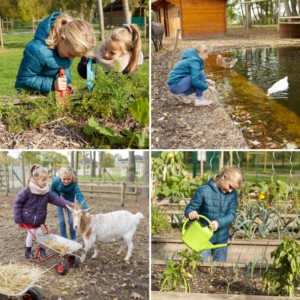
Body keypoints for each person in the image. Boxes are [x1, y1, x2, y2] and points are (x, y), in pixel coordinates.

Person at [15, 12, 96, 93]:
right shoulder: (37, 51)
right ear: (62, 39)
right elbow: (23, 80)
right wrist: (52, 84)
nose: (71, 59)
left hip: (52, 98)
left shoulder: (65, 51)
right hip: (30, 99)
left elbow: (64, 68)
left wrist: (67, 83)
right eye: (71, 54)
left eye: (75, 56)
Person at [14, 164, 75, 260]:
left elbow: (57, 199)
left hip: (38, 219)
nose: (45, 182)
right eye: (43, 180)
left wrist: (69, 204)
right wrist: (18, 218)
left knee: (39, 234)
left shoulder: (46, 192)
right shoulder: (27, 191)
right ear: (35, 179)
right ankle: (28, 252)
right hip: (27, 218)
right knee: (31, 233)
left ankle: (42, 249)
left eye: (46, 180)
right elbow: (17, 203)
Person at [184, 166, 244, 262]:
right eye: (230, 186)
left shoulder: (232, 194)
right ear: (224, 177)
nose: (230, 191)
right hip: (203, 237)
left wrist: (218, 223)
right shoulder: (203, 190)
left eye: (233, 189)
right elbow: (190, 208)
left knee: (220, 269)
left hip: (222, 238)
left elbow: (232, 214)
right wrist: (191, 213)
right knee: (201, 267)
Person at [77, 23, 143, 80]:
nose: (106, 54)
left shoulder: (129, 67)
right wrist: (84, 61)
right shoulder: (100, 55)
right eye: (105, 48)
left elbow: (135, 90)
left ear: (123, 54)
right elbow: (85, 75)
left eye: (112, 53)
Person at [167, 42, 218, 106]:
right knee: (201, 74)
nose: (207, 57)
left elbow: (192, 75)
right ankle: (199, 100)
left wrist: (206, 80)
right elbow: (195, 81)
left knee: (201, 79)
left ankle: (182, 95)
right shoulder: (194, 61)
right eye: (207, 54)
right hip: (175, 85)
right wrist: (208, 87)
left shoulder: (192, 57)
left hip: (175, 85)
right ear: (202, 53)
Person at [50, 165, 88, 240]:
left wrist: (85, 209)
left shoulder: (74, 182)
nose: (66, 181)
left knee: (71, 221)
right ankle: (63, 239)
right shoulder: (56, 181)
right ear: (60, 176)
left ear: (72, 177)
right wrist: (57, 197)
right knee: (62, 221)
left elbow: (79, 194)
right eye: (64, 179)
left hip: (71, 203)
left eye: (68, 179)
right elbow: (52, 190)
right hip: (59, 201)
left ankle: (73, 239)